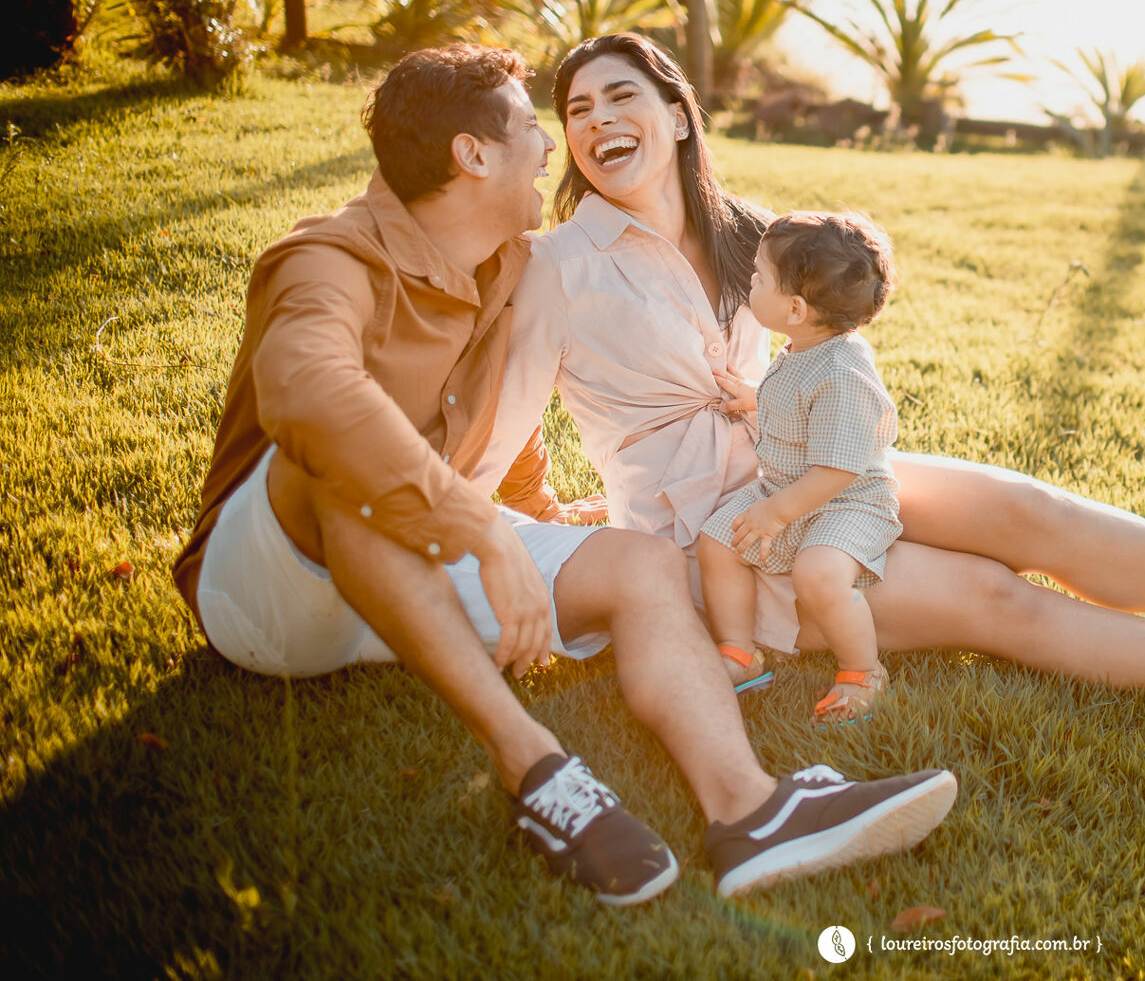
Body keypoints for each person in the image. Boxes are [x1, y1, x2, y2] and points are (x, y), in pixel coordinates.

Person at [170, 45, 956, 907]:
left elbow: (493, 395)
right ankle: (541, 774)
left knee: (641, 561)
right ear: (473, 154)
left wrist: (530, 510)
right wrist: (477, 531)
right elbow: (310, 399)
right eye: (532, 126)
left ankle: (751, 812)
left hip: (414, 568)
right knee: (338, 468)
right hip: (275, 589)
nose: (554, 147)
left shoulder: (508, 263)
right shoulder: (323, 261)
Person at [482, 33, 1145, 715]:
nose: (599, 120)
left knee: (1031, 511)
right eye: (577, 108)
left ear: (678, 116)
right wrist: (520, 526)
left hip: (810, 468)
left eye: (623, 96)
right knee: (998, 598)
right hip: (727, 540)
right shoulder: (558, 265)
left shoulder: (752, 233)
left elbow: (825, 355)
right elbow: (491, 436)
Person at [696, 211, 904, 724]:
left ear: (794, 308)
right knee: (717, 541)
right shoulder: (808, 346)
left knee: (819, 575)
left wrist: (775, 513)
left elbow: (837, 471)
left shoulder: (841, 370)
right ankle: (739, 654)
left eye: (759, 277)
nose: (750, 279)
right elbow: (799, 405)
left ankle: (862, 670)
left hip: (848, 500)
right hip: (790, 487)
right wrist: (754, 399)